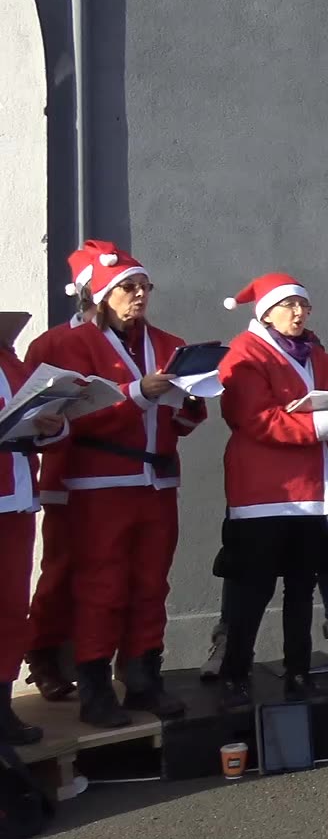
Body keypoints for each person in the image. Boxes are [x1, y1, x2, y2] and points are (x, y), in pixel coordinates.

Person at [52, 242, 206, 728]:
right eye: (127, 287)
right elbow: (65, 417)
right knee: (102, 584)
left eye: (144, 287)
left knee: (150, 583)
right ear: (98, 293)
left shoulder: (167, 343)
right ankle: (95, 686)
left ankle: (143, 676)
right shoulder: (62, 346)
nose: (139, 295)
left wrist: (190, 405)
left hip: (157, 480)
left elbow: (178, 420)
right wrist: (137, 393)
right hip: (100, 482)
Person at [210, 274, 328, 707]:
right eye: (290, 305)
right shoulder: (244, 352)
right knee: (252, 588)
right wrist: (327, 422)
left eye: (304, 306)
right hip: (263, 492)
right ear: (267, 312)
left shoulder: (315, 352)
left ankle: (298, 671)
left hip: (310, 490)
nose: (299, 313)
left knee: (302, 586)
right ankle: (235, 672)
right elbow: (254, 418)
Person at [21, 242, 107, 702]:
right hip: (68, 473)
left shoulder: (136, 341)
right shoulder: (52, 343)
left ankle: (101, 662)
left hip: (120, 476)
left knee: (109, 574)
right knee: (61, 569)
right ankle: (43, 653)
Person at [0, 337, 69, 743]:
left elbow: (45, 426)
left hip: (17, 497)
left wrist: (53, 425)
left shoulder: (10, 360)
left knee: (10, 610)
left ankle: (3, 711)